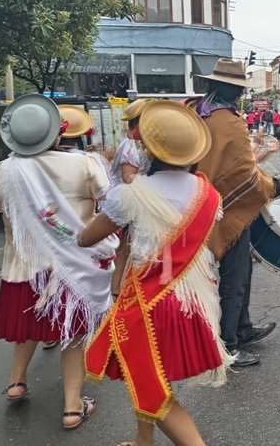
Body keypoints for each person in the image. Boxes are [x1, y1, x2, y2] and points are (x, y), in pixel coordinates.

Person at [0, 94, 117, 430]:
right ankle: (73, 408)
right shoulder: (85, 165)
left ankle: (17, 382)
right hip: (73, 269)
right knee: (72, 339)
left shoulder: (0, 173)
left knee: (28, 328)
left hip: (23, 271)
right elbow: (110, 208)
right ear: (56, 134)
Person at [80, 101, 228, 446]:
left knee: (152, 385)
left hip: (150, 306)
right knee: (149, 375)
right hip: (191, 304)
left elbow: (87, 238)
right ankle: (143, 441)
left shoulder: (130, 195)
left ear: (147, 147)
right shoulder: (208, 193)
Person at [189, 58, 280, 367]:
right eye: (238, 90)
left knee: (239, 275)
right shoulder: (228, 120)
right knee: (234, 278)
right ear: (232, 89)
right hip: (227, 211)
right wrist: (279, 186)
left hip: (200, 205)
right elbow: (245, 177)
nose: (239, 96)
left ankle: (243, 327)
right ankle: (228, 345)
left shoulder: (197, 112)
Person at [111, 99, 152, 186]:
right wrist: (155, 180)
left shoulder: (143, 142)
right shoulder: (131, 145)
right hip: (127, 195)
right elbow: (128, 178)